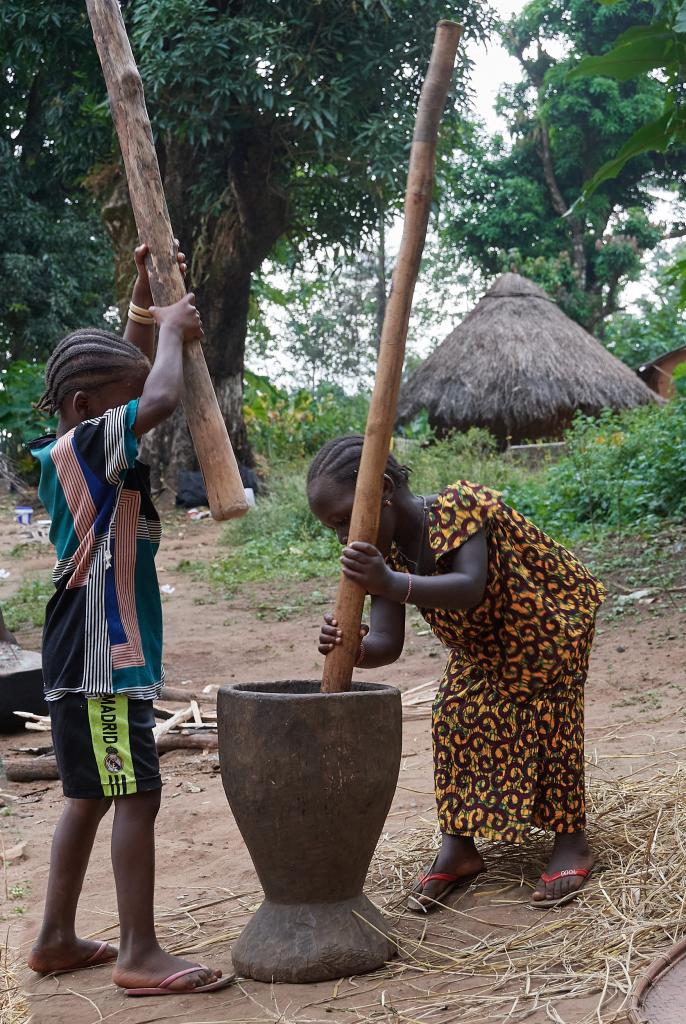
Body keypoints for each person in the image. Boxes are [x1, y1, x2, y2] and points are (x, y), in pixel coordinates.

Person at [27, 245, 231, 995]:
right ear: (87, 410)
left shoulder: (84, 439)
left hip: (85, 650)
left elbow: (135, 387)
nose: (132, 422)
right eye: (119, 407)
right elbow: (158, 399)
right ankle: (140, 955)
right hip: (99, 656)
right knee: (133, 793)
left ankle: (53, 938)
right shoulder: (83, 445)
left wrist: (146, 303)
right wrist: (174, 333)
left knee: (87, 793)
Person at [308, 435, 605, 913]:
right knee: (452, 715)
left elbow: (468, 587)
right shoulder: (385, 554)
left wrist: (388, 581)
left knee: (549, 719)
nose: (343, 535)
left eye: (344, 518)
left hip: (549, 622)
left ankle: (571, 840)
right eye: (332, 527)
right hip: (484, 644)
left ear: (383, 489)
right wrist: (355, 649)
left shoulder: (457, 508)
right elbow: (389, 643)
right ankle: (459, 848)